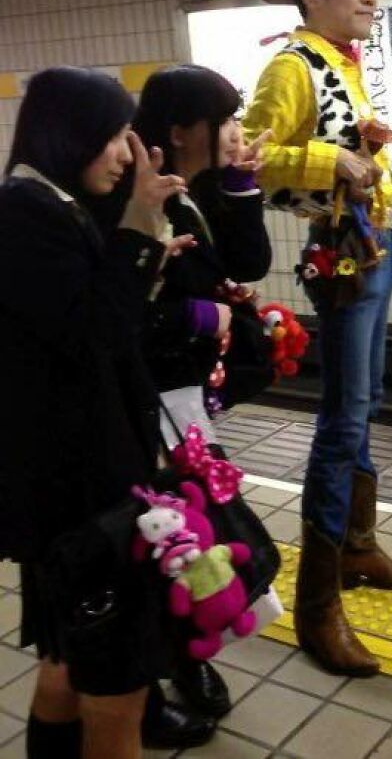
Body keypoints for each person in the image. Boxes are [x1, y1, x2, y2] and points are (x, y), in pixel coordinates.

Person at [243, 0, 392, 678]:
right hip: (341, 256)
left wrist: (365, 148)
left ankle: (356, 547)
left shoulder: (341, 63)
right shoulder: (291, 66)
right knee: (342, 418)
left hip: (377, 244)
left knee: (369, 399)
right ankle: (319, 605)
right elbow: (246, 157)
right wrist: (333, 157)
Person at [0, 67, 189, 759]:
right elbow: (93, 333)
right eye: (114, 135)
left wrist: (146, 247)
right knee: (117, 696)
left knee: (66, 668)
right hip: (80, 498)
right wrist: (139, 229)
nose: (124, 151)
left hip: (72, 492)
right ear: (70, 132)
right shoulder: (23, 214)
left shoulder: (51, 204)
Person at [122, 64, 272, 742]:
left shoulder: (196, 192)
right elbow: (126, 309)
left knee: (193, 535)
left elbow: (250, 263)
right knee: (167, 540)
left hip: (186, 399)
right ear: (181, 131)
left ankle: (184, 655)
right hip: (146, 404)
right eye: (225, 122)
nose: (235, 133)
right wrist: (206, 317)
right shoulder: (136, 198)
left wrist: (241, 185)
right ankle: (154, 679)